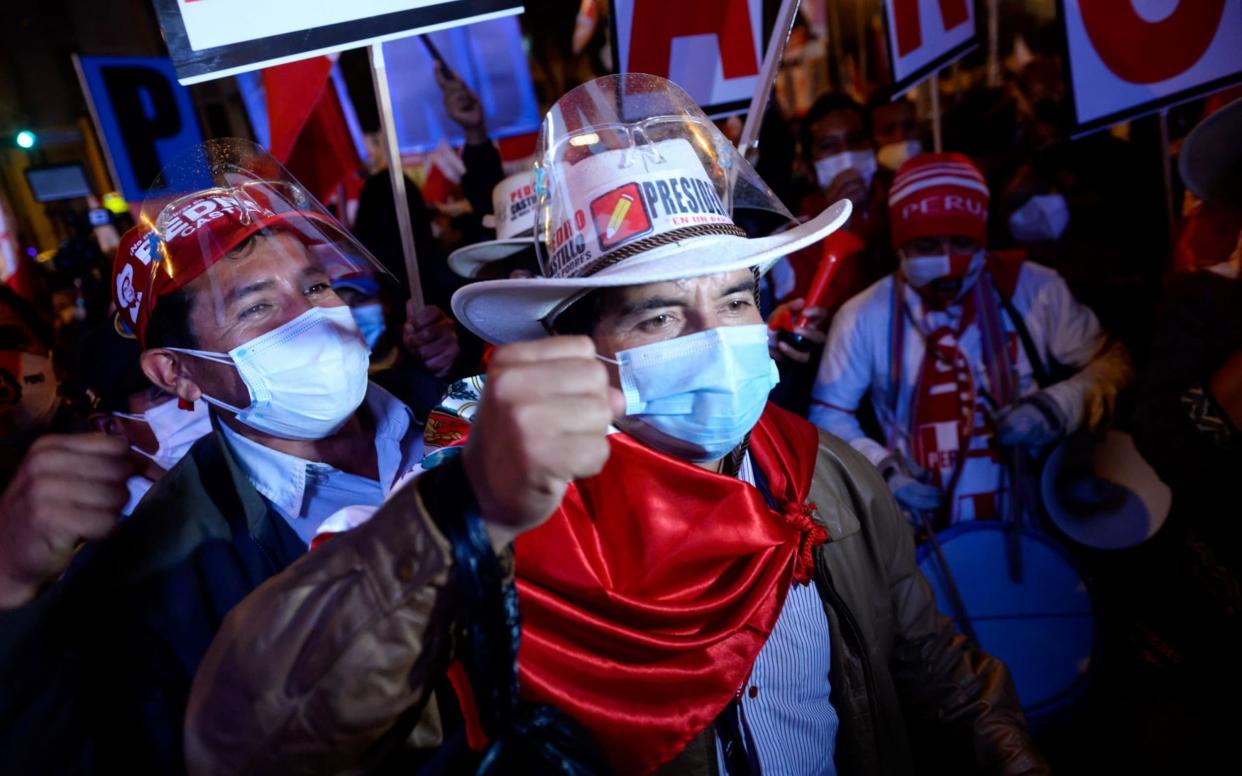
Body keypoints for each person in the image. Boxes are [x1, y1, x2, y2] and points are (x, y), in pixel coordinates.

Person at [185, 75, 1045, 775]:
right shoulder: (509, 530)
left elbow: (934, 672)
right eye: (660, 318)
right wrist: (451, 520)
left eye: (737, 299)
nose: (718, 340)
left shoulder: (828, 478)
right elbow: (249, 738)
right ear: (581, 349)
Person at [0, 139, 457, 772]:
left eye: (316, 284)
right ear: (178, 373)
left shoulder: (458, 410)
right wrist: (10, 587)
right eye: (258, 307)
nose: (315, 317)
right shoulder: (165, 570)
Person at [810, 152, 1133, 527]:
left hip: (1038, 523)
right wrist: (884, 470)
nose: (948, 263)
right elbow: (828, 413)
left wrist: (1056, 407)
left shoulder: (1035, 290)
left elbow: (1115, 362)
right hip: (925, 538)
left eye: (962, 243)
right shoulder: (863, 315)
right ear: (900, 246)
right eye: (928, 247)